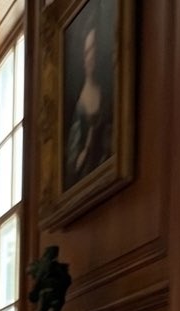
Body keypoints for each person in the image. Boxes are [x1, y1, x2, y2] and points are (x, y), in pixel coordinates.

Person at [65, 21, 112, 189]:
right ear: (83, 58)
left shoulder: (105, 95)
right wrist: (87, 147)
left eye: (94, 49)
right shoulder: (79, 105)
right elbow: (73, 164)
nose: (91, 56)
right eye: (87, 51)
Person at [27, 246, 72, 311]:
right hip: (48, 293)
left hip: (54, 293)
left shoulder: (56, 268)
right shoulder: (45, 267)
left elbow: (66, 280)